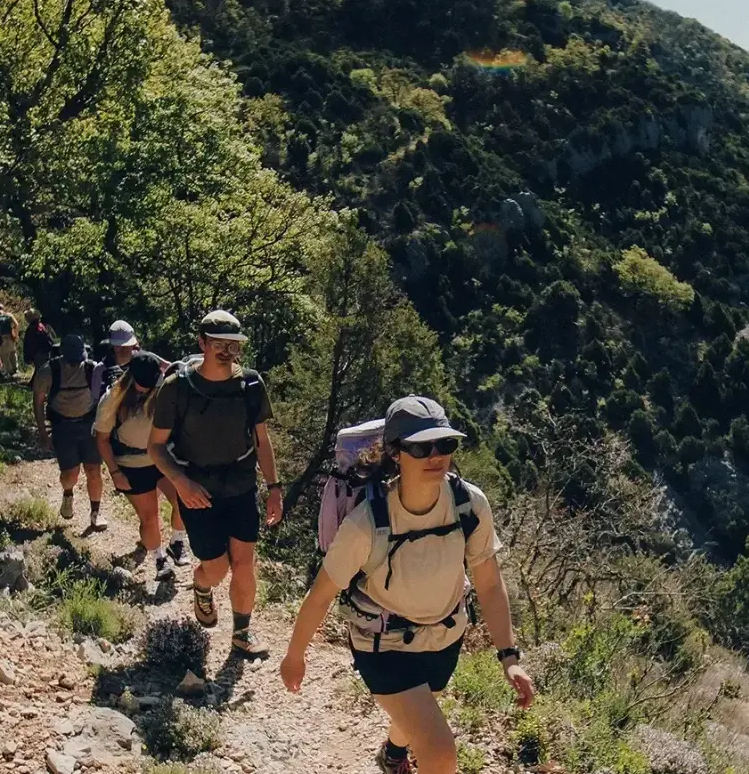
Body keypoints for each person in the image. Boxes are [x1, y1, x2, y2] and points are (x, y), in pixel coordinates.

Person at [280, 397, 534, 774]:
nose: (436, 455)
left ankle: (393, 753)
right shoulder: (368, 523)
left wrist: (509, 658)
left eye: (445, 444)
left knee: (421, 704)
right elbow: (321, 594)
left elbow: (489, 584)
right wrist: (295, 654)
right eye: (421, 447)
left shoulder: (469, 504)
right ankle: (402, 754)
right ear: (396, 453)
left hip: (445, 637)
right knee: (440, 752)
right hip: (383, 643)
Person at [148, 310, 283, 657]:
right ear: (202, 343)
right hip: (197, 489)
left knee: (243, 563)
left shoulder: (251, 385)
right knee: (217, 568)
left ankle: (242, 634)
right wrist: (180, 483)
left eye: (233, 345)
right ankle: (202, 584)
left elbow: (262, 440)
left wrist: (274, 487)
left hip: (240, 484)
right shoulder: (178, 387)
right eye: (219, 344)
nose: (226, 350)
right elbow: (155, 446)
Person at [94, 352, 190, 580]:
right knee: (150, 515)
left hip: (161, 457)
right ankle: (159, 560)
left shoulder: (162, 388)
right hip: (131, 463)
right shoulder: (113, 399)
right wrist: (115, 472)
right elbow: (102, 439)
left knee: (184, 500)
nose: (146, 389)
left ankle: (177, 542)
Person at [32, 334, 107, 529]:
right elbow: (38, 401)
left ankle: (96, 513)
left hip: (89, 424)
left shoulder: (92, 369)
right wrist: (43, 432)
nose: (75, 364)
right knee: (70, 475)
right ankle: (68, 494)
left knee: (93, 470)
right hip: (62, 426)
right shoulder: (48, 371)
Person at [23, 309, 55, 374]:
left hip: (39, 354)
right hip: (43, 352)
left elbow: (29, 344)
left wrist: (28, 356)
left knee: (41, 371)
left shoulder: (34, 328)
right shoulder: (40, 326)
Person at [0, 304, 20, 378]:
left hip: (2, 339)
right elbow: (17, 324)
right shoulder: (9, 315)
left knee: (5, 357)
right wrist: (16, 335)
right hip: (10, 337)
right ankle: (16, 369)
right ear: (3, 308)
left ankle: (10, 373)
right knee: (13, 352)